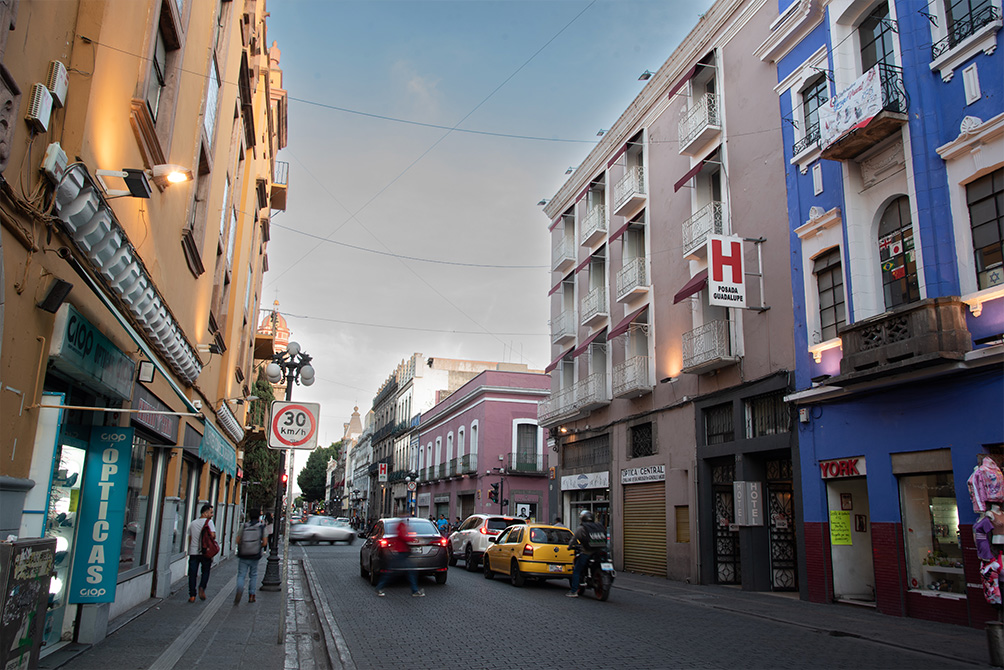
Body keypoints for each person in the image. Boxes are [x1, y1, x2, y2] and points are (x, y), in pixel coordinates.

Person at [375, 519, 424, 597]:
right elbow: (402, 536)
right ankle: (414, 590)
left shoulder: (401, 525)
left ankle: (380, 587)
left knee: (395, 571)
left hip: (403, 552)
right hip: (402, 552)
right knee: (406, 571)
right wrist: (412, 539)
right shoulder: (401, 525)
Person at [566, 510, 607, 598]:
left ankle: (574, 591)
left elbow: (574, 539)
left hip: (587, 552)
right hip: (600, 551)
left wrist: (569, 546)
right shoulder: (598, 526)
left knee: (577, 570)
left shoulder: (582, 528)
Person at [234, 509, 269, 605]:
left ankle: (240, 589)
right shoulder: (261, 527)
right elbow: (265, 542)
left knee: (241, 575)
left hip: (244, 554)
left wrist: (244, 546)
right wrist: (257, 546)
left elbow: (237, 540)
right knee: (253, 574)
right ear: (258, 517)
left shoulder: (244, 526)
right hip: (255, 555)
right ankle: (251, 595)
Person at [187, 504, 216, 602]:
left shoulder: (193, 523)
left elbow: (190, 538)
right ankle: (202, 587)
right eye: (211, 512)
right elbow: (212, 536)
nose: (212, 515)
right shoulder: (209, 522)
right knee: (206, 571)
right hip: (205, 552)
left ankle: (192, 595)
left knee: (192, 574)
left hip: (193, 552)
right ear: (205, 512)